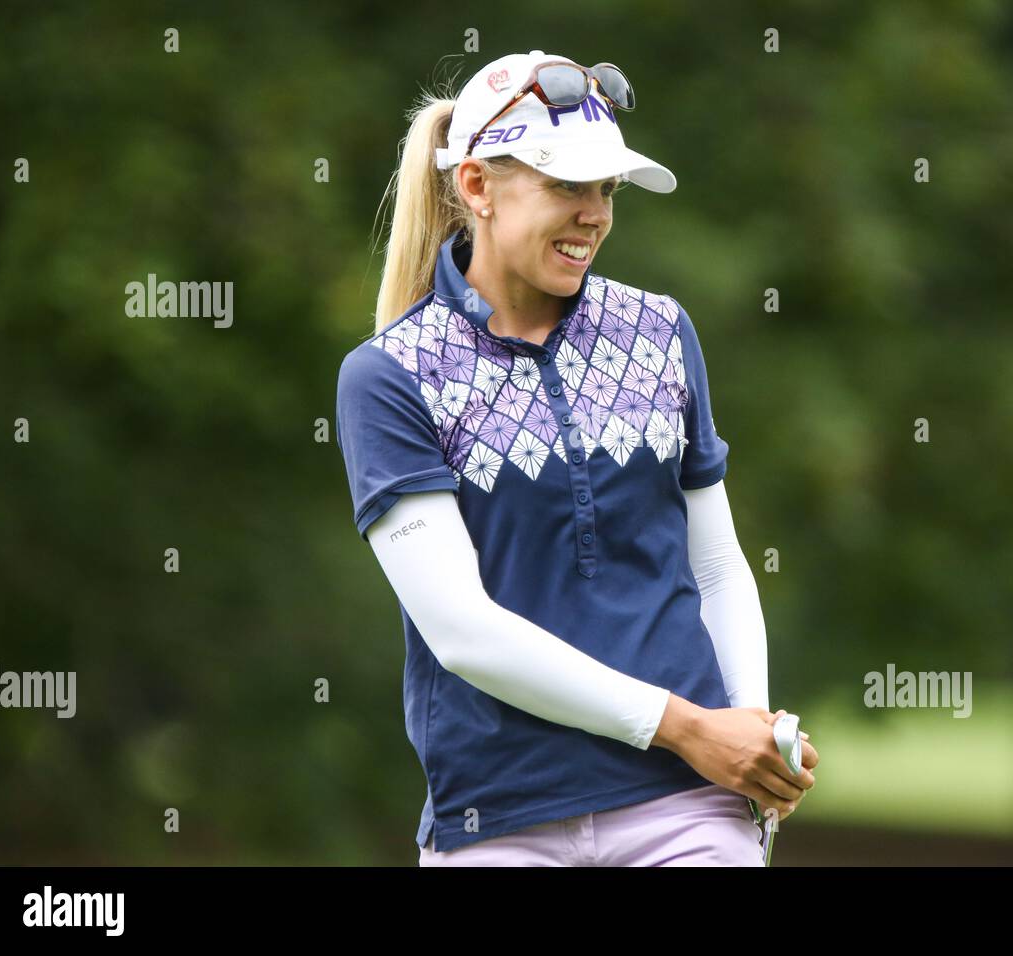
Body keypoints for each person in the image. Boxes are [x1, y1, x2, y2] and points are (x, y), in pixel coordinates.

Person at [335, 49, 818, 866]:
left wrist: (752, 744)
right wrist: (695, 729)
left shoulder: (659, 330)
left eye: (607, 189)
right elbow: (464, 634)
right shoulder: (388, 377)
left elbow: (718, 567)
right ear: (478, 187)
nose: (594, 213)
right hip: (499, 818)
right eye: (566, 187)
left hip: (686, 805)